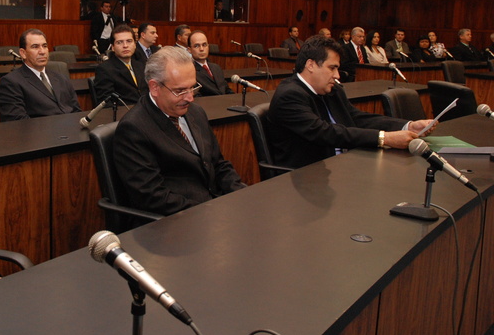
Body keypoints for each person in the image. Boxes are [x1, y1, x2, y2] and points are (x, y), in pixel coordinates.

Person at [113, 47, 245, 216]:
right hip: (176, 219)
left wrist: (242, 194)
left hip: (212, 208)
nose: (190, 97)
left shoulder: (196, 112)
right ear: (154, 87)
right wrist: (210, 212)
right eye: (180, 91)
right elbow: (152, 197)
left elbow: (218, 164)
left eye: (193, 87)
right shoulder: (134, 128)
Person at [267, 36, 434, 169]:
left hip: (343, 165)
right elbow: (324, 132)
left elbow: (356, 117)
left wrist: (407, 126)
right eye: (332, 68)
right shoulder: (289, 95)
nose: (337, 75)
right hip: (307, 176)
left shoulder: (331, 89)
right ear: (310, 65)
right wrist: (385, 138)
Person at [0, 28, 81, 121]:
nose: (42, 51)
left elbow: (76, 111)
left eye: (44, 46)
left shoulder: (61, 78)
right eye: (35, 47)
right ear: (23, 53)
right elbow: (18, 122)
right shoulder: (11, 82)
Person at [92, 24, 147, 105]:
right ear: (113, 47)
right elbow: (107, 103)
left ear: (135, 44)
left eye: (129, 41)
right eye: (119, 42)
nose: (125, 46)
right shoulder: (105, 69)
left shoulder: (141, 65)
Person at [187, 30, 232, 96]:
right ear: (189, 50)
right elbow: (197, 97)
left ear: (208, 46)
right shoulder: (189, 72)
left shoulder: (216, 67)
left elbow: (226, 89)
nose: (201, 49)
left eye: (204, 45)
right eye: (196, 46)